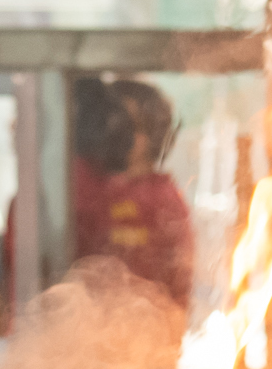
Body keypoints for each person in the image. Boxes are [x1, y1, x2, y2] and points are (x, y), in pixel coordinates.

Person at [69, 79, 193, 302]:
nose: (113, 134)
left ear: (151, 134)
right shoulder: (90, 183)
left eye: (126, 125)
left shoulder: (162, 199)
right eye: (108, 123)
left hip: (143, 319)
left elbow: (178, 284)